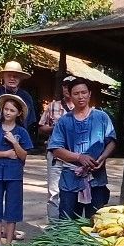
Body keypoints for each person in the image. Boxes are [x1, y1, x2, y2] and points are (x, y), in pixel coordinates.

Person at [48, 78, 117, 220]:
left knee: (97, 222)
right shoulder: (64, 121)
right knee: (67, 222)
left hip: (97, 178)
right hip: (70, 178)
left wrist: (103, 158)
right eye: (76, 93)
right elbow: (56, 149)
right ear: (70, 96)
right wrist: (79, 157)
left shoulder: (101, 117)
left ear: (89, 94)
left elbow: (111, 141)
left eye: (84, 92)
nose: (81, 97)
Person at [0, 94, 32, 246]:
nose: (8, 113)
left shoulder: (22, 132)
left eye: (12, 110)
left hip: (14, 175)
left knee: (13, 209)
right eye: (6, 109)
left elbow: (23, 155)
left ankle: (9, 244)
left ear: (19, 113)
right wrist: (5, 154)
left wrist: (14, 142)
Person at [38, 76, 76, 220]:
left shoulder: (81, 108)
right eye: (65, 85)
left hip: (74, 155)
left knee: (73, 191)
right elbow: (41, 127)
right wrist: (56, 128)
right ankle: (54, 227)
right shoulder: (52, 106)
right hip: (55, 155)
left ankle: (69, 225)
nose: (67, 88)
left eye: (70, 86)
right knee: (54, 192)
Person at [0, 61, 36, 128]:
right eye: (9, 75)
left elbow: (30, 122)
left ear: (20, 78)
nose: (12, 78)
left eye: (15, 76)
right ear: (3, 77)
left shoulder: (26, 97)